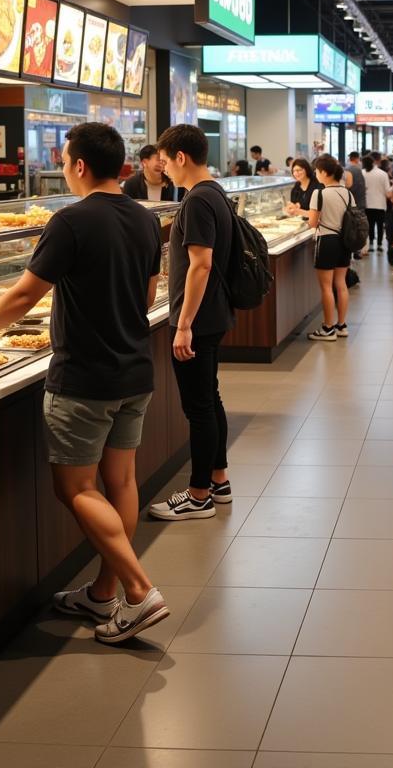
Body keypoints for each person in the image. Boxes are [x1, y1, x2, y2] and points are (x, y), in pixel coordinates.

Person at [0, 123, 168, 643]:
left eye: (64, 159)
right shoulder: (145, 219)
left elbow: (22, 297)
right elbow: (148, 296)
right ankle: (104, 592)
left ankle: (138, 589)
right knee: (121, 482)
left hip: (84, 376)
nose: (63, 166)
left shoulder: (70, 221)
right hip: (134, 370)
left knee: (76, 487)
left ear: (79, 165)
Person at [149, 125, 236, 524]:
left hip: (198, 319)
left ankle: (198, 494)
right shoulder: (214, 192)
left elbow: (201, 263)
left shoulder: (198, 200)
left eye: (165, 161)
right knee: (209, 398)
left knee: (198, 407)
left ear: (180, 157)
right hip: (213, 313)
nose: (163, 169)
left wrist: (184, 325)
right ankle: (218, 479)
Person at [305, 154, 353, 340]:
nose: (316, 174)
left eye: (317, 171)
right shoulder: (347, 193)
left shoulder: (319, 194)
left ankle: (327, 328)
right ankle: (341, 325)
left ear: (324, 172)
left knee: (326, 287)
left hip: (327, 241)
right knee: (340, 284)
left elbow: (312, 222)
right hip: (344, 241)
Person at [362, 154, 390, 251]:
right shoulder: (383, 174)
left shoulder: (363, 173)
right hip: (380, 204)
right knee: (380, 226)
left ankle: (370, 244)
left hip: (367, 204)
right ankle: (379, 245)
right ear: (374, 162)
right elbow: (387, 190)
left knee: (370, 225)